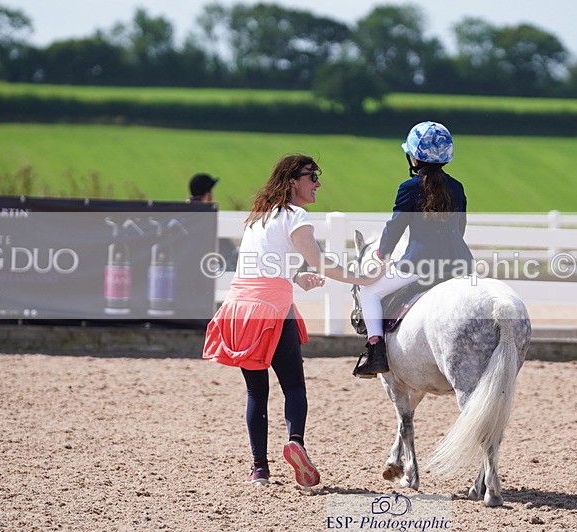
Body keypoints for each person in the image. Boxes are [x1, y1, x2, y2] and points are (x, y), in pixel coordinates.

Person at [202, 154, 380, 487]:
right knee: (294, 387)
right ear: (293, 181)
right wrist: (362, 277)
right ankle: (295, 441)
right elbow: (320, 261)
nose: (318, 183)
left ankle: (259, 470)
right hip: (272, 310)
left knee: (256, 393)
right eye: (312, 177)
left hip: (239, 307)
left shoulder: (259, 217)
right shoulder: (295, 216)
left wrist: (297, 278)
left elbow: (263, 265)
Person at [353, 121, 473, 378]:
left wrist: (381, 254)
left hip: (420, 264)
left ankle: (375, 352)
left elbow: (396, 225)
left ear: (414, 157)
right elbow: (460, 227)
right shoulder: (458, 188)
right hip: (460, 264)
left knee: (369, 291)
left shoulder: (409, 188)